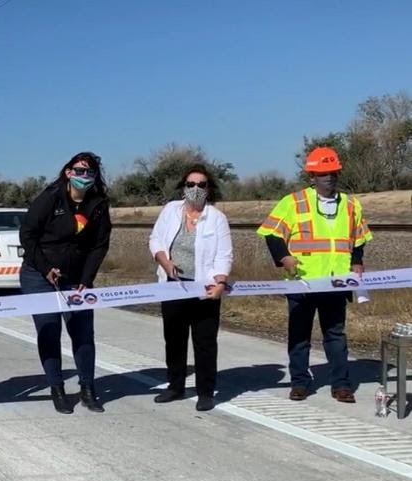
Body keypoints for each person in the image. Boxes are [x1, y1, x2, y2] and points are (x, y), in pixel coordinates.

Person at [257, 147, 372, 402]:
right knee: (299, 335)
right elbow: (271, 233)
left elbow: (359, 238)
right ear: (312, 177)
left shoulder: (351, 204)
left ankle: (341, 385)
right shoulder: (293, 202)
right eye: (322, 173)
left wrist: (357, 261)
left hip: (336, 282)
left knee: (335, 335)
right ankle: (299, 382)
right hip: (302, 281)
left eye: (333, 172)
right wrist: (283, 257)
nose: (329, 177)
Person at [19, 152, 112, 414]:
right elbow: (27, 235)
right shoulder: (50, 198)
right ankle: (57, 388)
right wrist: (46, 268)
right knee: (49, 332)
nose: (84, 176)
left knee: (82, 334)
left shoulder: (98, 204)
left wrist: (86, 278)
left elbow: (99, 245)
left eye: (89, 172)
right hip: (39, 275)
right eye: (79, 171)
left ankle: (87, 388)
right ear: (69, 172)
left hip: (76, 279)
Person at [148, 165, 233, 411]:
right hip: (172, 287)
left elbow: (224, 255)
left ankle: (206, 391)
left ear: (209, 188)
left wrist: (220, 283)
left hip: (204, 289)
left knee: (204, 341)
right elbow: (155, 240)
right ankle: (175, 386)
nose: (196, 189)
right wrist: (164, 260)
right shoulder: (170, 211)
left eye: (201, 185)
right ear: (184, 187)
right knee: (174, 339)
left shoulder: (216, 218)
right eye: (191, 184)